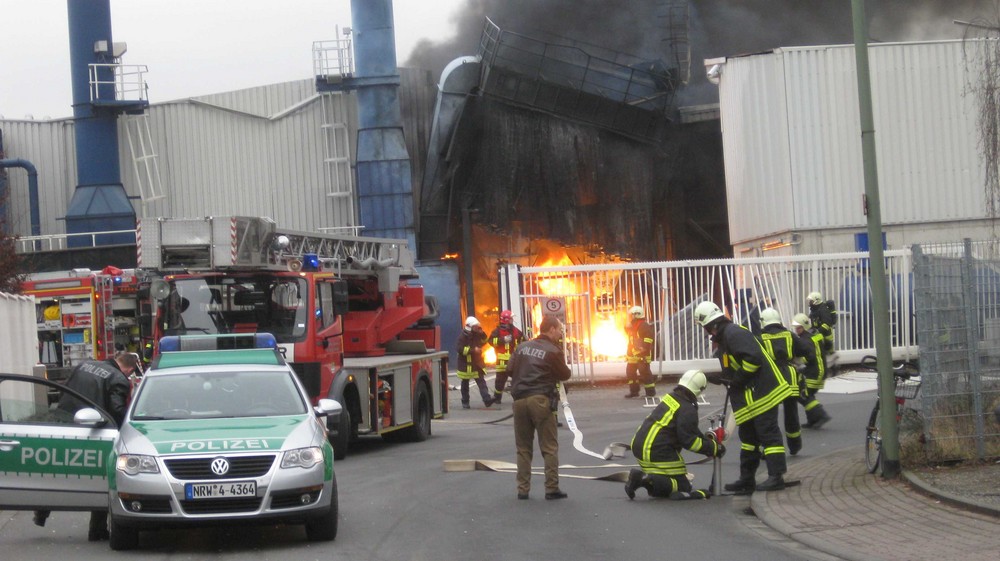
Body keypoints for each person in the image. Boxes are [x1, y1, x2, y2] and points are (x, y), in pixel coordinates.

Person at [37, 351, 139, 541]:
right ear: (130, 370)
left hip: (63, 423)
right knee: (100, 477)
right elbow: (117, 410)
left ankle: (40, 510)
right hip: (90, 431)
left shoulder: (84, 365)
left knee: (52, 470)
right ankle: (97, 530)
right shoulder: (119, 379)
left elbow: (65, 390)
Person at [693, 301, 792, 494]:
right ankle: (747, 479)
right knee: (748, 438)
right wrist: (722, 378)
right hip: (750, 397)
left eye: (704, 327)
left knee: (767, 434)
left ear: (711, 324)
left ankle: (776, 477)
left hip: (763, 394)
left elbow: (753, 360)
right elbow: (734, 366)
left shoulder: (734, 333)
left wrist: (737, 380)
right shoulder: (724, 338)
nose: (706, 332)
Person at [624, 369, 726, 500]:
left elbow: (691, 431)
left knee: (666, 481)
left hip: (639, 445)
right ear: (699, 389)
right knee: (682, 486)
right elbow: (689, 441)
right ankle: (645, 480)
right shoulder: (688, 409)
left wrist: (707, 442)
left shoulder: (671, 398)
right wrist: (713, 448)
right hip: (656, 451)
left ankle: (644, 480)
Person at [507, 315, 572, 500]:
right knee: (549, 447)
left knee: (523, 447)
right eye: (559, 329)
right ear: (551, 329)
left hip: (519, 402)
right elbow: (564, 374)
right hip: (541, 401)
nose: (560, 333)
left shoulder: (521, 347)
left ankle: (522, 489)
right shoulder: (552, 350)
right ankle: (551, 488)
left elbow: (509, 369)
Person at [759, 308, 811, 456]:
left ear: (763, 322)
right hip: (790, 378)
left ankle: (769, 449)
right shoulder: (790, 335)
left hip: (771, 379)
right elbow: (806, 349)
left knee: (769, 415)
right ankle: (795, 445)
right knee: (791, 413)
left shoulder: (760, 338)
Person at [791, 313, 833, 429]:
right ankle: (813, 420)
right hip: (820, 370)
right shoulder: (815, 333)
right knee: (807, 394)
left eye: (798, 327)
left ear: (803, 327)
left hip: (814, 372)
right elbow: (827, 345)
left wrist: (797, 361)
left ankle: (821, 415)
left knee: (803, 394)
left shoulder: (805, 339)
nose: (796, 330)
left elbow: (810, 356)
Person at [487, 309, 525, 406]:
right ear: (507, 320)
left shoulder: (516, 331)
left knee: (517, 380)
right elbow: (491, 341)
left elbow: (523, 341)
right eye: (511, 318)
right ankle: (497, 398)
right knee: (500, 381)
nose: (513, 320)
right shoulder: (497, 331)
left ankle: (518, 398)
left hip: (514, 361)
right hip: (502, 361)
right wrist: (502, 340)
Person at [456, 316, 494, 409]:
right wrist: (473, 350)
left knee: (482, 382)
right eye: (475, 327)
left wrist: (482, 333)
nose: (477, 328)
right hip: (466, 365)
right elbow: (460, 349)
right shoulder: (462, 337)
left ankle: (487, 400)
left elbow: (485, 341)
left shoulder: (477, 334)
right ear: (470, 327)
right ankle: (465, 402)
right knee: (465, 384)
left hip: (476, 364)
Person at [623, 306, 657, 399]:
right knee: (630, 373)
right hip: (633, 354)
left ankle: (650, 393)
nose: (631, 317)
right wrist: (626, 327)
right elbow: (630, 335)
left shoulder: (644, 325)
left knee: (645, 373)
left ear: (637, 314)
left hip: (642, 354)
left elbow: (648, 339)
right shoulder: (633, 325)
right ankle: (634, 392)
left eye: (632, 315)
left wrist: (644, 349)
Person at [807, 291, 837, 356]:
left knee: (824, 352)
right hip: (820, 334)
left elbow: (826, 324)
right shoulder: (815, 309)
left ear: (816, 301)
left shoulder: (823, 310)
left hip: (826, 336)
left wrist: (817, 331)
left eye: (811, 301)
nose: (809, 302)